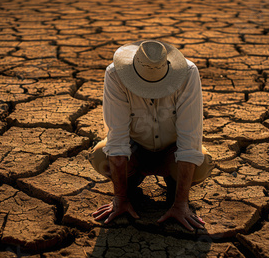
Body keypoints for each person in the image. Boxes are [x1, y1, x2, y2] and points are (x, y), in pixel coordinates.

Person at [89, 39, 214, 231]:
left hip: (171, 151)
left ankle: (175, 187)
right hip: (135, 150)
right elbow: (117, 140)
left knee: (201, 164)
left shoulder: (188, 74)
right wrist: (120, 199)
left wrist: (181, 204)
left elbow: (190, 140)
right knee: (100, 157)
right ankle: (130, 184)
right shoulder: (115, 75)